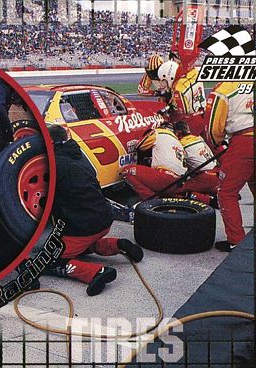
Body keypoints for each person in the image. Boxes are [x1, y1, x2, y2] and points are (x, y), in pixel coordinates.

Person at [47, 125, 144, 296]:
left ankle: (97, 272)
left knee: (50, 260)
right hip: (104, 217)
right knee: (83, 247)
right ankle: (117, 244)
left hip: (84, 225)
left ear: (50, 142)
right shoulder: (79, 155)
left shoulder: (54, 163)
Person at [204, 81, 256, 252]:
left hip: (246, 141)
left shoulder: (221, 90)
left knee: (226, 191)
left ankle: (236, 240)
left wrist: (218, 144)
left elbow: (213, 130)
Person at [122, 126, 186, 200]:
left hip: (164, 178)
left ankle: (152, 200)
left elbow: (140, 146)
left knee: (127, 171)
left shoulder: (158, 132)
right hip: (179, 183)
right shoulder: (178, 141)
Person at [172, 120, 219, 205]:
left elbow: (178, 165)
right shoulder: (198, 138)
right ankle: (218, 191)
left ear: (178, 132)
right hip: (216, 173)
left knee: (175, 190)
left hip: (204, 177)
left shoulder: (181, 144)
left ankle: (209, 201)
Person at [156, 60, 207, 134]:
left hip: (192, 125)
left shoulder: (178, 90)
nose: (162, 84)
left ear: (170, 77)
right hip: (204, 115)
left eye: (163, 81)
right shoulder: (195, 73)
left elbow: (181, 115)